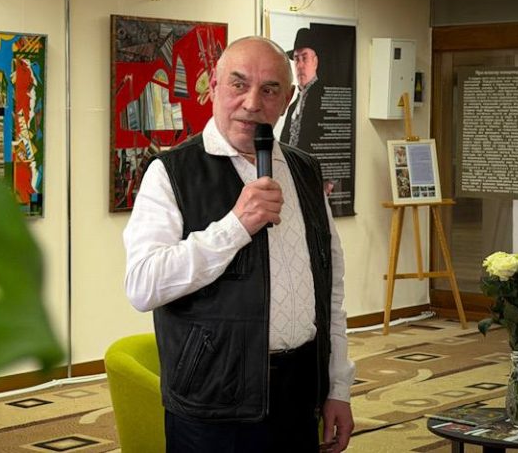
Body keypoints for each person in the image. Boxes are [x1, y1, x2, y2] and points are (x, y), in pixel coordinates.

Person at [124, 36, 355, 452]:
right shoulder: (170, 172)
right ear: (214, 87)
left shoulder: (305, 170)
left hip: (300, 393)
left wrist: (338, 386)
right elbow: (143, 286)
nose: (252, 103)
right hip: (213, 404)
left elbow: (330, 289)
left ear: (287, 99)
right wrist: (235, 226)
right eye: (239, 84)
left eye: (269, 90)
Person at [279, 27, 323, 151]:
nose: (300, 65)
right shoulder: (294, 106)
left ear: (315, 62)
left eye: (305, 58)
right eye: (297, 59)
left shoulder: (322, 99)